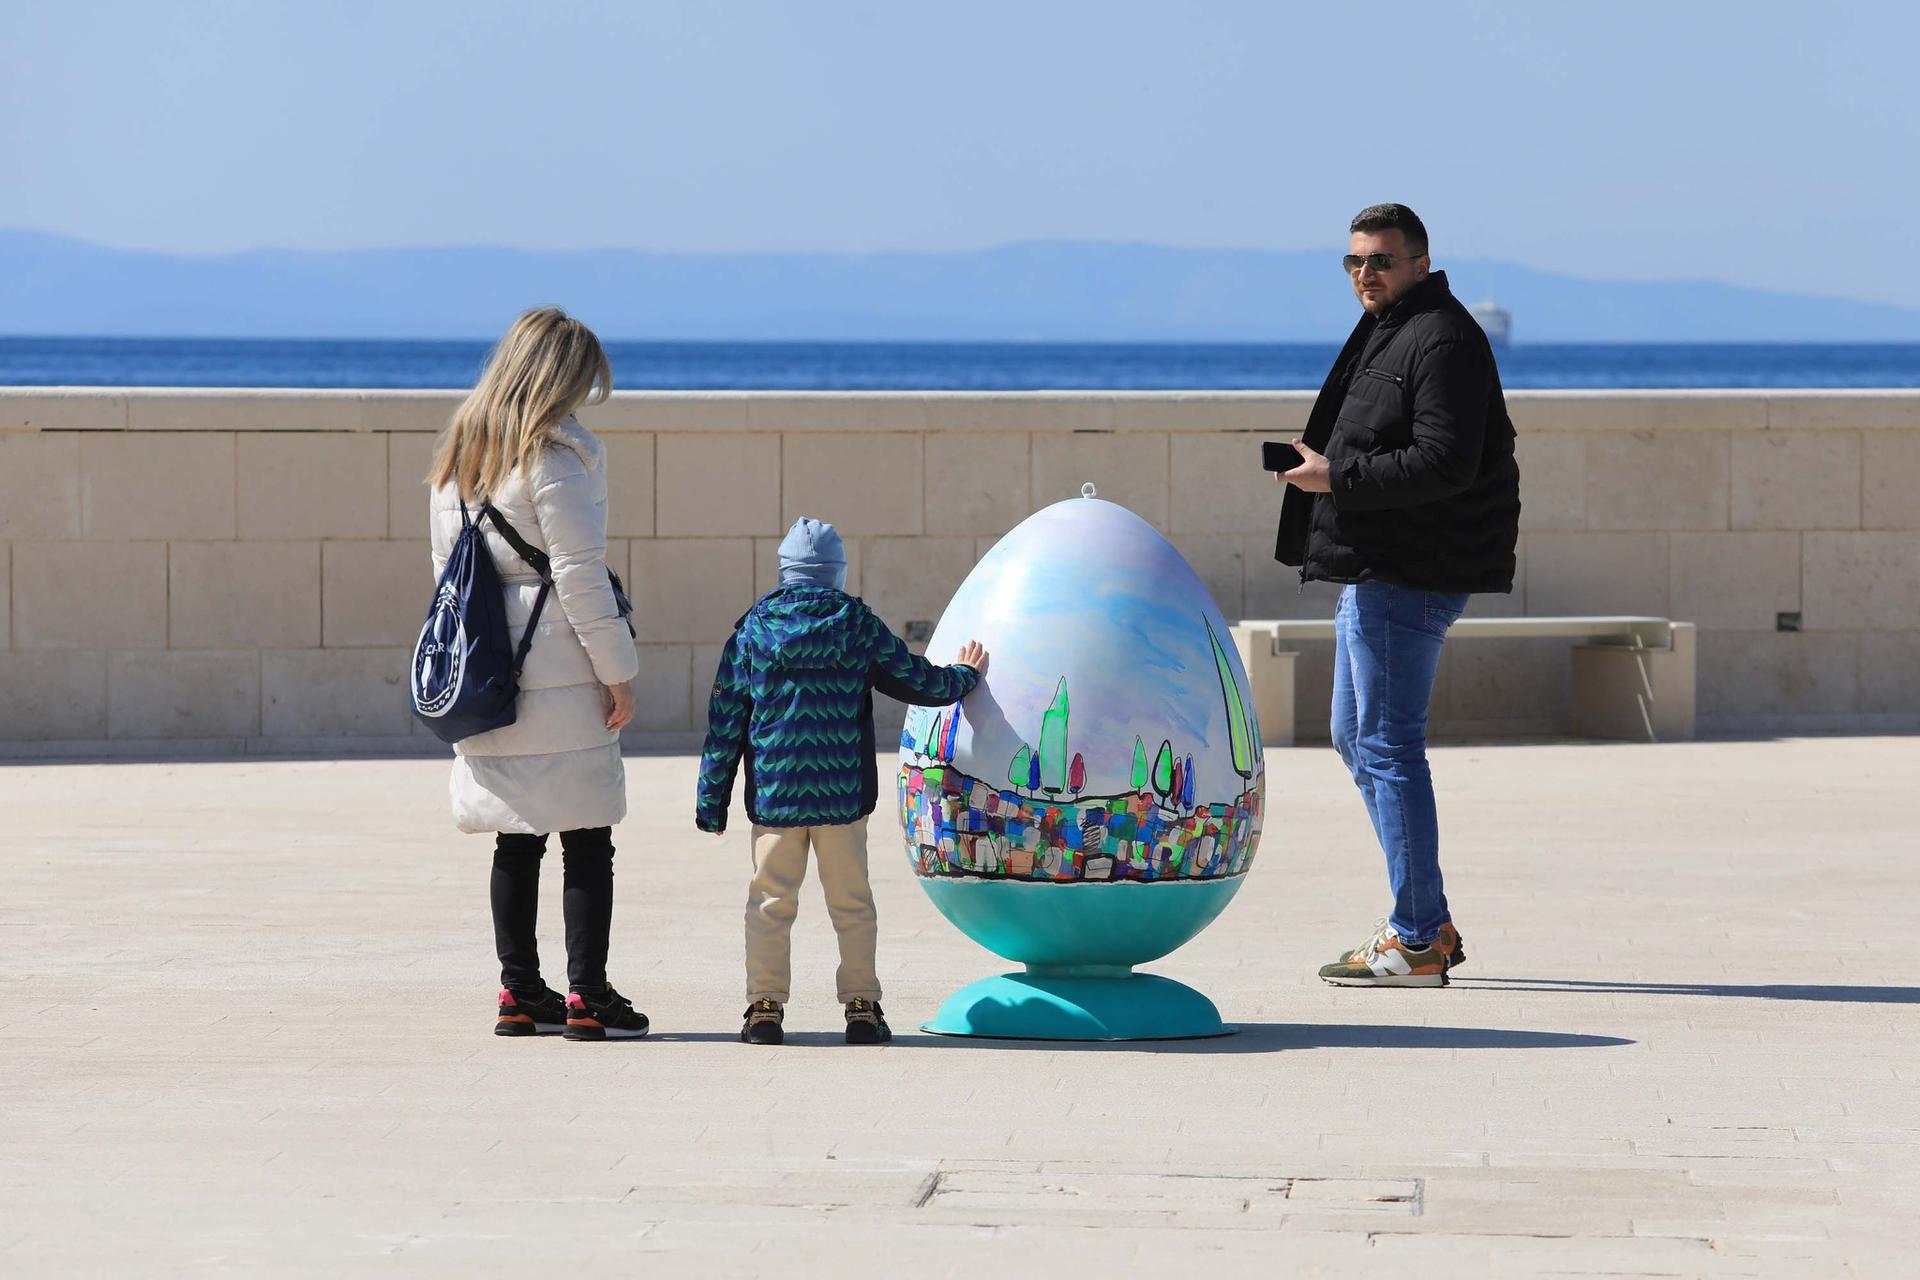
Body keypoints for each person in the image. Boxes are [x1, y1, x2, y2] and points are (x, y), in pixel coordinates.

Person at [1272, 203, 1521, 987]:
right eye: (1353, 262)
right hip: (1377, 566)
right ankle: (1426, 921)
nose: (1365, 274)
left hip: (1410, 571)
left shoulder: (1441, 337)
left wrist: (1335, 477)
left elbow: (1446, 462)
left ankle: (1416, 937)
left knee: (1388, 745)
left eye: (1380, 260)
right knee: (1357, 737)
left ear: (1419, 262)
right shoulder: (1395, 329)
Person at [426, 306, 649, 1039]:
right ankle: (588, 995)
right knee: (588, 833)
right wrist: (618, 671)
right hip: (558, 662)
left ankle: (519, 992)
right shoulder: (553, 458)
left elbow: (447, 578)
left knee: (514, 834)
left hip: (490, 667)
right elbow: (581, 576)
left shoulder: (459, 459)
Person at [696, 517, 987, 1045]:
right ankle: (862, 1007)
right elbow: (916, 680)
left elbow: (725, 719)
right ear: (836, 572)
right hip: (842, 794)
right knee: (851, 902)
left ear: (786, 572)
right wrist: (964, 677)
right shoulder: (856, 624)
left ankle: (764, 1008)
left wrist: (711, 801)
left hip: (777, 795)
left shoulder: (754, 630)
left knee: (769, 901)